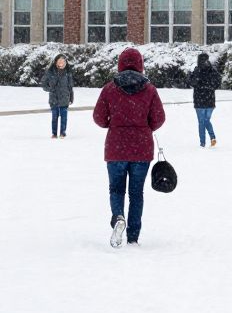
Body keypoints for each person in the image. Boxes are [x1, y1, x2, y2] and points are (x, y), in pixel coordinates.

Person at [92, 47, 166, 248]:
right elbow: (159, 119)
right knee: (136, 193)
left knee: (116, 189)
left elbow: (98, 118)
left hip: (116, 147)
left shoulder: (109, 88)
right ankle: (133, 236)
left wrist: (114, 124)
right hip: (141, 148)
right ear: (141, 65)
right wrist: (144, 126)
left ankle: (118, 218)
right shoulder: (149, 90)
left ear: (120, 64)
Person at [188, 52, 222, 148]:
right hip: (210, 99)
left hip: (199, 100)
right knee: (206, 120)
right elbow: (218, 81)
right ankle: (212, 138)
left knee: (202, 122)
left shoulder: (197, 70)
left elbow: (191, 82)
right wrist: (211, 87)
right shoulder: (212, 70)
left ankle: (202, 143)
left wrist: (191, 77)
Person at [41, 53, 74, 139]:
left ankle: (63, 133)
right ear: (56, 62)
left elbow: (70, 86)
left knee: (64, 117)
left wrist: (71, 97)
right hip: (54, 98)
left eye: (63, 61)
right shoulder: (50, 72)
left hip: (64, 98)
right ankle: (54, 134)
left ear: (65, 62)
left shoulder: (68, 72)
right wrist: (50, 89)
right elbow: (43, 84)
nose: (61, 63)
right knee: (54, 117)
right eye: (59, 61)